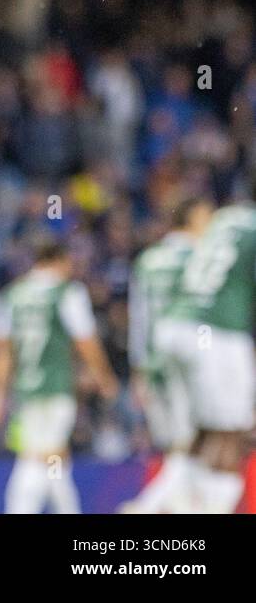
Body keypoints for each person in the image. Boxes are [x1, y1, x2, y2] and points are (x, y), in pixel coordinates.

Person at [0, 237, 119, 513]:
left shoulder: (14, 295)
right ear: (61, 260)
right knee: (40, 457)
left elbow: (2, 351)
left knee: (52, 456)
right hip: (56, 387)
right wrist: (104, 378)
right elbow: (85, 340)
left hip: (24, 390)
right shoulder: (67, 292)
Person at [154, 188, 256, 513]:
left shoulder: (225, 218)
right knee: (232, 432)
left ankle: (165, 505)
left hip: (176, 326)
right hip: (218, 331)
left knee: (202, 434)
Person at [120, 196, 212, 513]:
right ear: (194, 218)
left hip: (154, 363)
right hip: (189, 363)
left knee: (177, 445)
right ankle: (147, 506)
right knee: (193, 445)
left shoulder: (147, 261)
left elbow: (139, 320)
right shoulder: (202, 256)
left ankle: (179, 508)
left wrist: (138, 370)